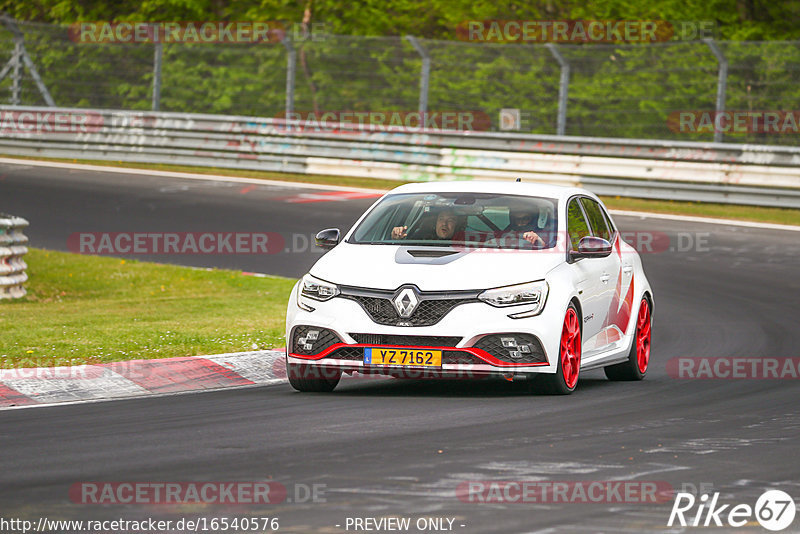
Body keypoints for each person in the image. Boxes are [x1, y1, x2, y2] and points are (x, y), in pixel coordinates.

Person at [392, 209, 462, 240]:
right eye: (441, 219)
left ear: (457, 225)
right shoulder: (420, 238)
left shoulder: (466, 242)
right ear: (436, 223)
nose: (444, 223)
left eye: (450, 220)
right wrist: (396, 237)